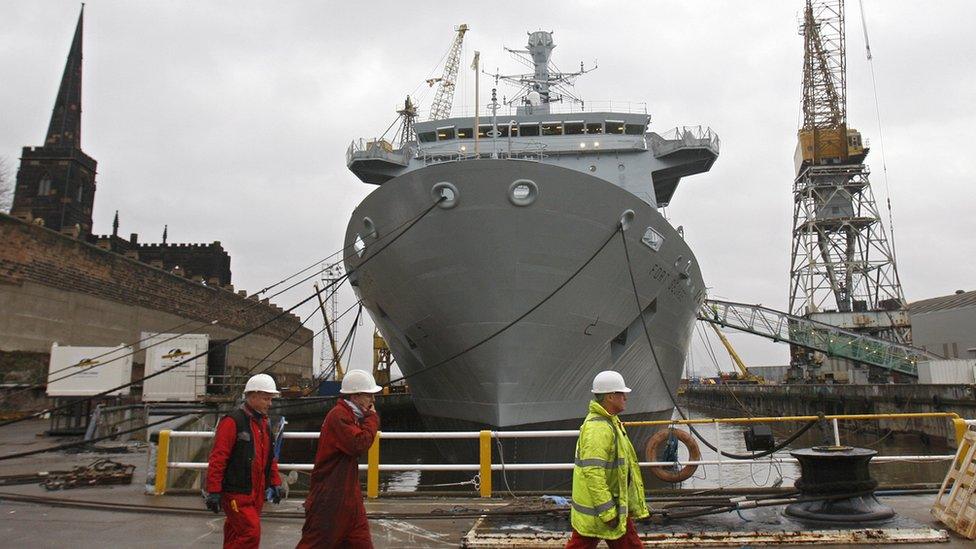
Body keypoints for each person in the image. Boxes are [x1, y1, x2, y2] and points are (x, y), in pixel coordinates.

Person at [297, 369, 382, 549]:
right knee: (316, 543)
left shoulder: (350, 416)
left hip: (348, 498)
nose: (373, 401)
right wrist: (372, 419)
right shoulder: (339, 416)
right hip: (331, 498)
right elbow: (358, 444)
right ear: (356, 396)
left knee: (361, 544)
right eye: (369, 396)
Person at [566, 370, 649, 549]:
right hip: (604, 508)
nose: (626, 397)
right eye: (622, 393)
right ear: (611, 396)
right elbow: (593, 473)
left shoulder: (610, 422)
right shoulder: (599, 429)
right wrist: (608, 511)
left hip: (610, 505)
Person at [204, 373, 284, 549]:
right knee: (250, 533)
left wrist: (274, 482)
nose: (270, 404)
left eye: (270, 399)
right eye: (266, 399)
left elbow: (269, 457)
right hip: (237, 492)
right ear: (252, 396)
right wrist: (214, 490)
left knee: (235, 532)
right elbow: (219, 457)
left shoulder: (264, 423)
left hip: (255, 493)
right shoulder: (233, 422)